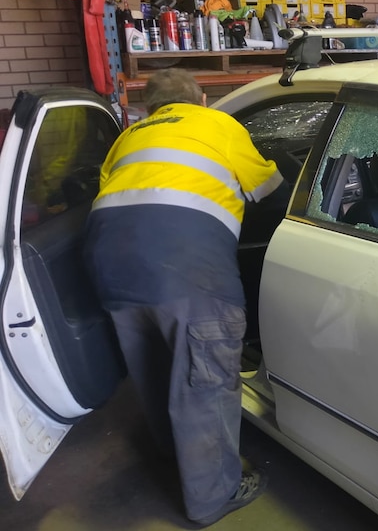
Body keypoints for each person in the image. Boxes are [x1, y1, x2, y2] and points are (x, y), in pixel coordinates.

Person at [83, 68, 290, 526]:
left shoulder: (127, 137)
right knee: (205, 381)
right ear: (200, 97)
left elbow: (120, 194)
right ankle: (213, 495)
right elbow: (272, 193)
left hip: (108, 261)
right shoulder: (219, 124)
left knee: (153, 365)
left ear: (151, 107)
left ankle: (173, 455)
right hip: (184, 269)